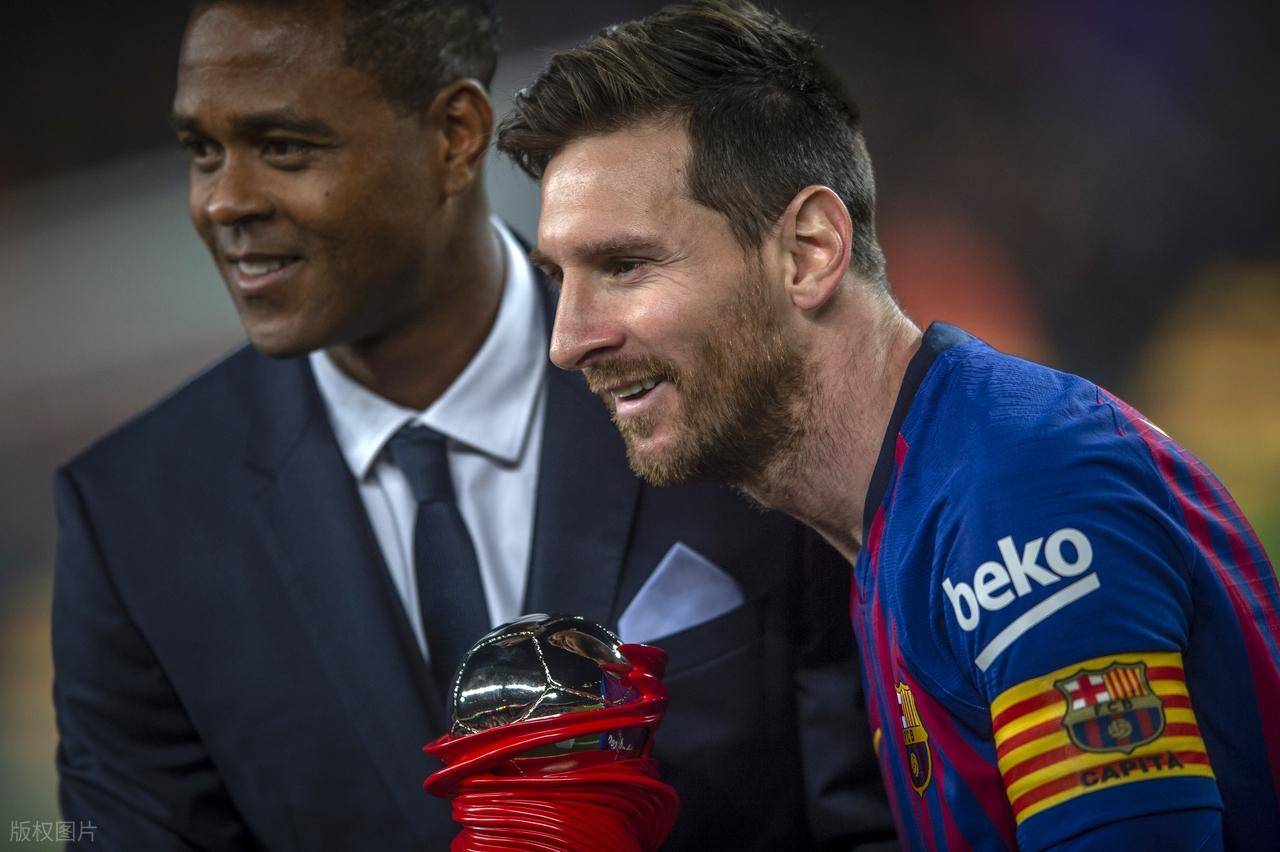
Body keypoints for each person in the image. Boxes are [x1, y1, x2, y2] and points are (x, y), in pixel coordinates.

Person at [50, 1, 894, 849]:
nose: (223, 202)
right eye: (202, 151)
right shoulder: (129, 519)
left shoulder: (734, 389)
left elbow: (877, 815)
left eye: (285, 147)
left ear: (455, 136)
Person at [495, 1, 1280, 849]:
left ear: (808, 251)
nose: (568, 341)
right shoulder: (906, 511)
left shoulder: (1014, 494)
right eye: (559, 278)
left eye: (624, 265)